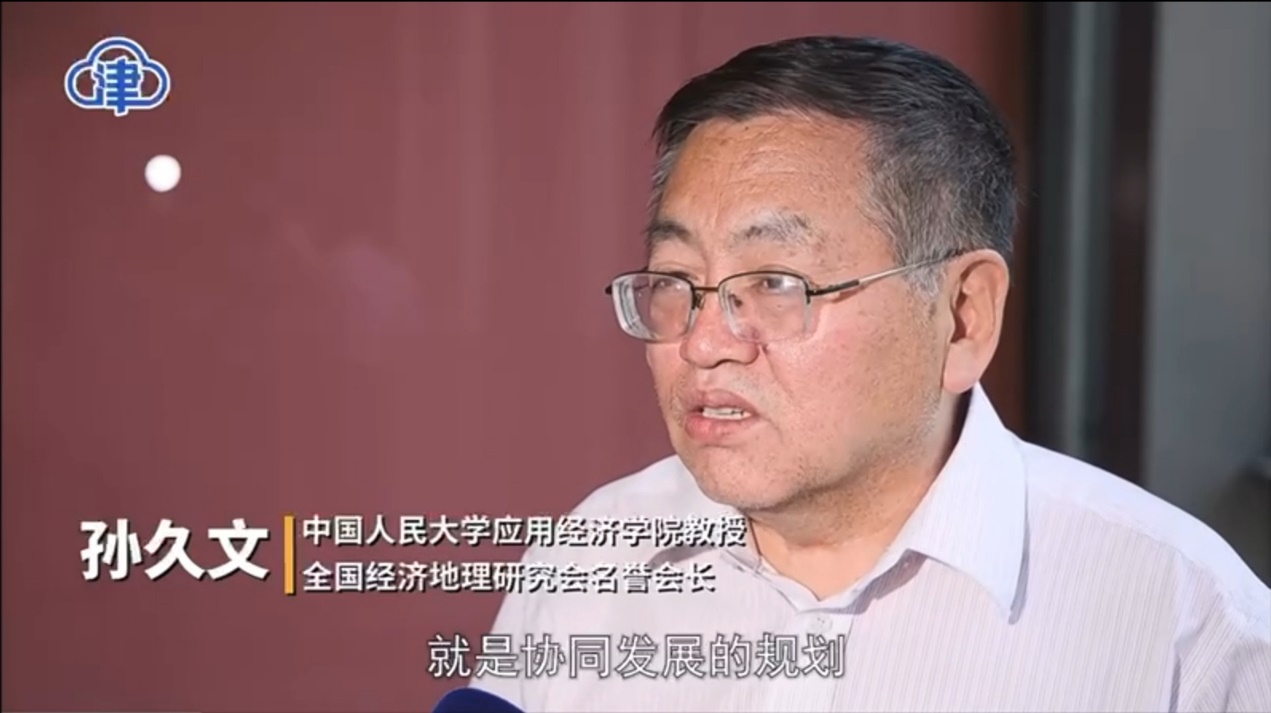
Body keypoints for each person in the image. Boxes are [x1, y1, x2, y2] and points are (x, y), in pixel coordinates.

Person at [469, 35, 1271, 712]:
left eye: (775, 283)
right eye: (677, 279)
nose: (704, 342)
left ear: (963, 315)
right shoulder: (592, 556)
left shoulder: (1184, 622)